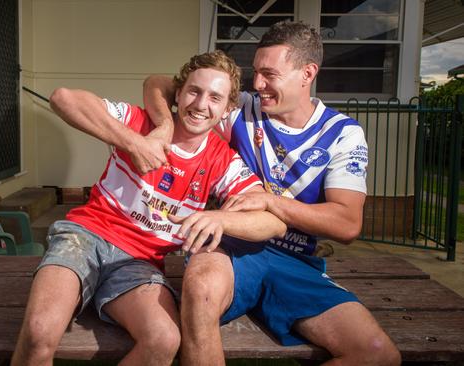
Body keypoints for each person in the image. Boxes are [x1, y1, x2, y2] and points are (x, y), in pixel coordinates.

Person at [143, 21, 402, 365]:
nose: (257, 84)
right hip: (231, 249)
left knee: (377, 355)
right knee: (200, 288)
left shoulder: (343, 134)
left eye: (269, 74)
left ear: (307, 73)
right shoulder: (243, 110)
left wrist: (270, 201)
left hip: (296, 261)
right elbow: (158, 83)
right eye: (256, 73)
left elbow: (347, 223)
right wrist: (163, 127)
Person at [11, 51, 287, 366]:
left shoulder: (221, 159)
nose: (200, 104)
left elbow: (274, 223)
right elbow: (63, 99)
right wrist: (133, 142)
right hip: (85, 238)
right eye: (194, 91)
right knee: (38, 333)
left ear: (227, 109)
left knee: (164, 340)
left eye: (215, 97)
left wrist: (220, 218)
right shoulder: (141, 122)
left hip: (138, 263)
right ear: (179, 93)